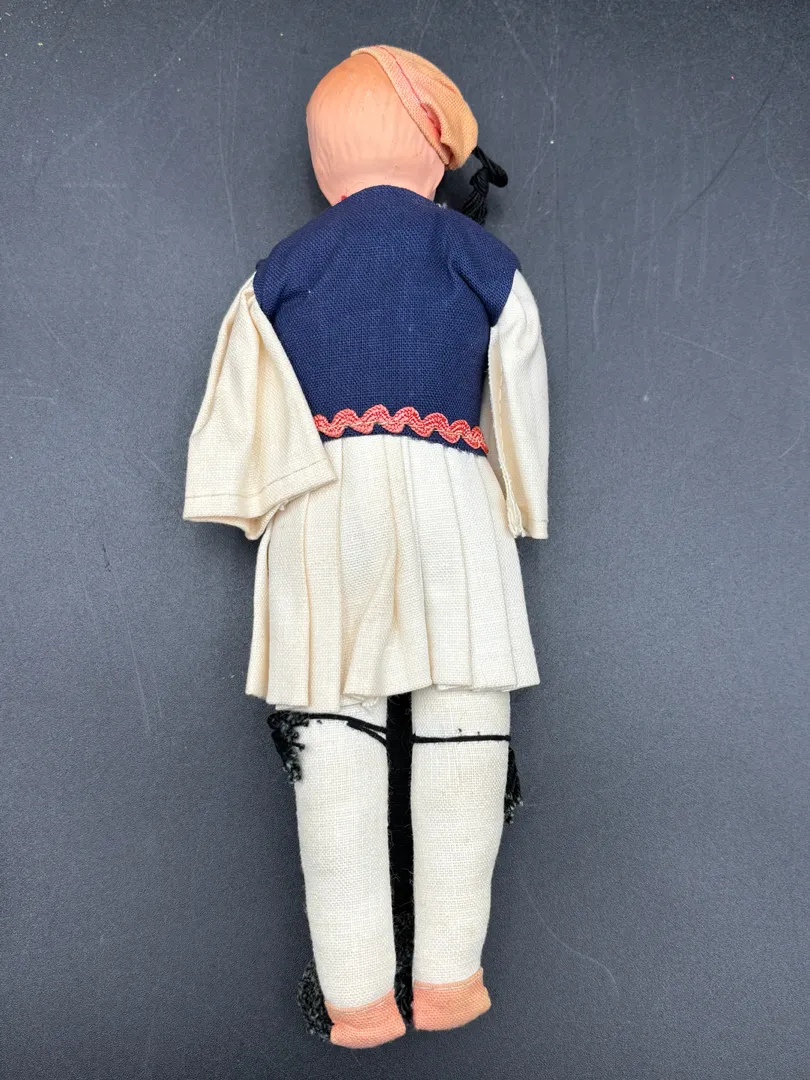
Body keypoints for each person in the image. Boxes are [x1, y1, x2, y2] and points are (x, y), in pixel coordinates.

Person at [183, 44, 549, 1049]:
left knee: (333, 755)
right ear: (436, 150)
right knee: (466, 735)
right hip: (453, 497)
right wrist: (521, 495)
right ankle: (449, 981)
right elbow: (519, 371)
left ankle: (357, 1001)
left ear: (324, 158)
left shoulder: (285, 264)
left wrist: (250, 497)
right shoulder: (477, 258)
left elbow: (243, 382)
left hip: (322, 503)